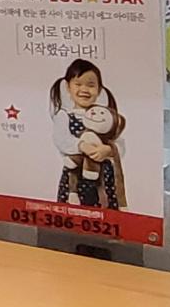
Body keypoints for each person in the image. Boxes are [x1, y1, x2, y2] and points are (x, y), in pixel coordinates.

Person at [50, 58, 126, 209]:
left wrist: (108, 150)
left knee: (106, 212)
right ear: (68, 87)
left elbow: (120, 142)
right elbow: (61, 140)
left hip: (104, 178)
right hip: (75, 178)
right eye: (78, 84)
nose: (84, 90)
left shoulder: (105, 116)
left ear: (99, 89)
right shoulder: (65, 116)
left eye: (91, 85)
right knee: (74, 212)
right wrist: (82, 146)